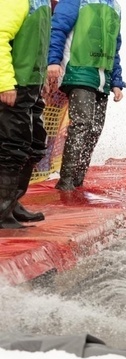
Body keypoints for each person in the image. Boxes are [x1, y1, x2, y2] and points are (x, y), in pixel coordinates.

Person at [47, 0, 125, 192]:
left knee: (94, 130)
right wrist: (53, 61)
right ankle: (65, 182)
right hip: (78, 70)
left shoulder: (115, 7)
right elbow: (57, 29)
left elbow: (114, 46)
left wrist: (116, 81)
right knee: (81, 125)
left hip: (102, 78)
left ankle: (77, 181)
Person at [0, 0, 52, 229]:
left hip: (32, 85)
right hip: (15, 86)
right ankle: (2, 211)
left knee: (35, 145)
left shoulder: (43, 3)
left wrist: (42, 81)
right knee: (12, 148)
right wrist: (5, 84)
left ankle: (13, 202)